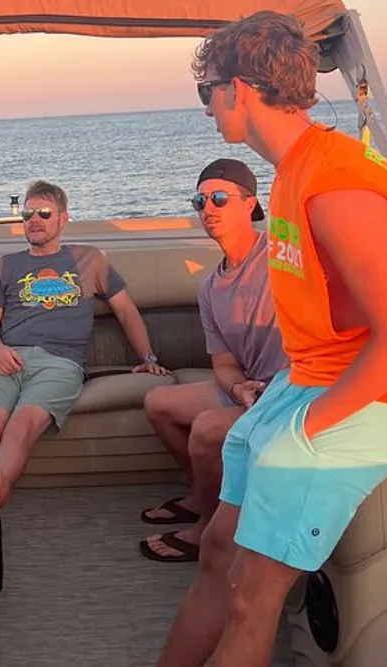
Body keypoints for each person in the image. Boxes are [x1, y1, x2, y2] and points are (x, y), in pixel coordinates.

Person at [156, 11, 387, 667]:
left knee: (252, 602)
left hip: (369, 400)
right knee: (217, 550)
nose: (206, 111)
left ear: (240, 89)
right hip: (308, 382)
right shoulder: (292, 172)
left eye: (208, 94)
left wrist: (307, 427)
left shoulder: (336, 185)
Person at [0, 179, 170, 507]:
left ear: (63, 219)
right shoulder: (4, 265)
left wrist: (148, 356)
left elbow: (125, 310)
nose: (34, 220)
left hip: (59, 363)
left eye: (44, 213)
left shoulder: (89, 259)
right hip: (5, 359)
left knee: (19, 427)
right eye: (28, 213)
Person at [138, 158, 287, 564]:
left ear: (250, 203)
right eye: (200, 201)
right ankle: (200, 493)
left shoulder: (282, 256)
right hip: (252, 387)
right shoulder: (210, 289)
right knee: (158, 404)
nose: (208, 208)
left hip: (292, 389)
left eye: (219, 198)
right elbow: (222, 362)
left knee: (205, 430)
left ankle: (210, 528)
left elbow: (361, 272)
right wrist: (238, 388)